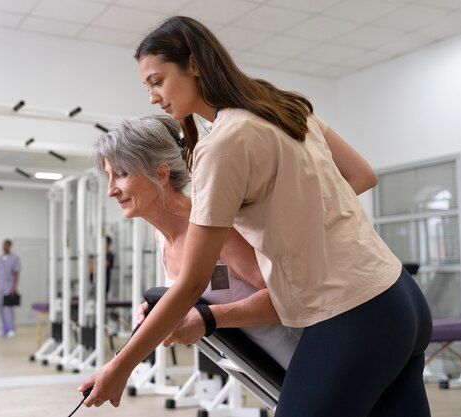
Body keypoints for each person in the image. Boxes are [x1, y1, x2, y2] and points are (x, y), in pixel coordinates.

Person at [80, 16, 433, 417]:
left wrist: (119, 366)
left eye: (157, 81)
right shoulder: (283, 105)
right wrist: (295, 218)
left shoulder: (222, 145)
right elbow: (361, 175)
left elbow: (194, 280)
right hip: (400, 296)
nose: (153, 97)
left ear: (193, 65)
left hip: (353, 311)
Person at [92, 115, 299, 369]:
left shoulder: (214, 228)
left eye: (121, 174)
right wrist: (162, 310)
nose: (111, 189)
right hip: (259, 374)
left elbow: (288, 300)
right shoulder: (161, 238)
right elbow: (194, 296)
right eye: (109, 176)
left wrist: (209, 317)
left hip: (303, 363)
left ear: (161, 174)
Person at [0, 239, 21, 337]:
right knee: (0, 309)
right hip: (0, 287)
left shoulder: (15, 258)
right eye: (3, 245)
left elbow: (16, 274)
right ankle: (3, 329)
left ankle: (11, 329)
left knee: (8, 309)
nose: (4, 247)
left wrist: (14, 287)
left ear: (10, 246)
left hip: (9, 287)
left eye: (6, 245)